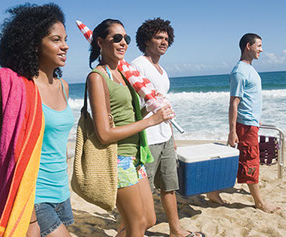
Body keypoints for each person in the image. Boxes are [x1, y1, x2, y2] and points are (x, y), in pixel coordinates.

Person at [0, 3, 74, 237]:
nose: (65, 46)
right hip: (33, 194)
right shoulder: (21, 89)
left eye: (65, 39)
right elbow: (8, 148)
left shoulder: (64, 87)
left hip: (61, 190)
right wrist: (30, 214)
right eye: (56, 39)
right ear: (34, 44)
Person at [87, 19, 174, 237]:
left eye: (125, 38)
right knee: (136, 224)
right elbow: (104, 134)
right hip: (118, 158)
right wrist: (150, 122)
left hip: (136, 156)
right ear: (100, 42)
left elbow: (130, 117)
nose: (123, 42)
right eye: (116, 38)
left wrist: (151, 111)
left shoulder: (124, 75)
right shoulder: (98, 77)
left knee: (149, 219)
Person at [130, 18, 204, 237]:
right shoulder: (138, 65)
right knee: (143, 191)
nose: (163, 42)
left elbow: (163, 103)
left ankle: (175, 229)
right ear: (146, 40)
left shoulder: (161, 70)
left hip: (164, 134)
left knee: (169, 186)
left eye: (166, 38)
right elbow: (134, 107)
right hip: (147, 137)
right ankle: (132, 230)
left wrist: (170, 134)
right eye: (158, 37)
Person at [226, 33, 280, 213]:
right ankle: (259, 202)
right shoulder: (239, 72)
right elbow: (234, 102)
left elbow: (250, 99)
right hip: (245, 125)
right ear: (248, 46)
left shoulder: (250, 69)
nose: (261, 50)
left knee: (244, 160)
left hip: (252, 123)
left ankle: (213, 192)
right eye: (259, 46)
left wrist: (256, 118)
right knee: (251, 161)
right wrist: (232, 131)